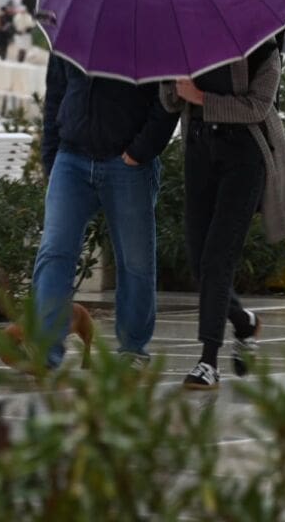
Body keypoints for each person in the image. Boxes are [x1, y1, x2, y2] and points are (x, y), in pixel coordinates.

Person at [161, 36, 285, 390]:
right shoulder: (185, 41)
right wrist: (174, 84)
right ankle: (244, 323)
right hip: (199, 151)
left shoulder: (263, 49)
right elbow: (168, 101)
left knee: (217, 259)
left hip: (244, 158)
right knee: (199, 262)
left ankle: (208, 361)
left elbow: (257, 107)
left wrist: (201, 98)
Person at [32, 53, 179, 369]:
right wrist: (51, 159)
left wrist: (141, 150)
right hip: (71, 159)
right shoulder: (72, 32)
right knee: (54, 252)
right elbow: (55, 94)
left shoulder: (152, 36)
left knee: (135, 261)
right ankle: (46, 350)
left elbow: (169, 100)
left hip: (127, 163)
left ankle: (133, 349)